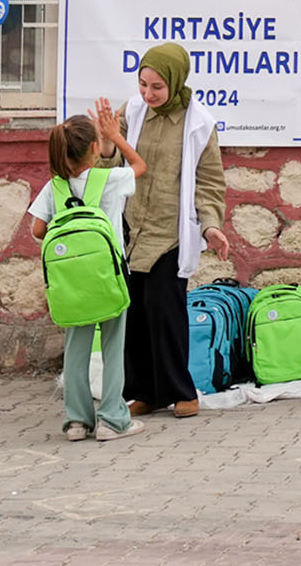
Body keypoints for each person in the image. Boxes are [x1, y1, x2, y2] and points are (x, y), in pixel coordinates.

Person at [92, 42, 233, 419]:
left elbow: (209, 183)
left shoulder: (199, 124)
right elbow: (112, 163)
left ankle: (181, 391)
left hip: (170, 232)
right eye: (142, 85)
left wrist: (211, 227)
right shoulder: (132, 112)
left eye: (157, 87)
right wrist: (107, 143)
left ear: (176, 80)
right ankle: (146, 392)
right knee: (134, 313)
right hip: (130, 228)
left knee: (165, 312)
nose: (147, 94)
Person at [27, 114, 148, 442]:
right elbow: (140, 166)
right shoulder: (107, 179)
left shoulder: (53, 187)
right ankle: (112, 419)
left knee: (76, 348)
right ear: (95, 148)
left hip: (73, 283)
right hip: (108, 277)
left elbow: (38, 229)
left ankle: (77, 422)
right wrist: (117, 137)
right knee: (113, 347)